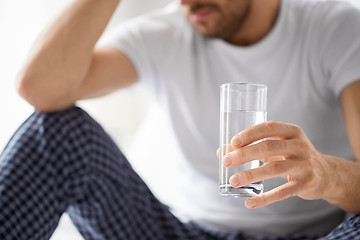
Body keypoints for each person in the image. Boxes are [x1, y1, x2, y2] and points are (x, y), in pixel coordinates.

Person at [1, 0, 360, 239]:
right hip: (185, 234)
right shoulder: (166, 32)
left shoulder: (336, 27)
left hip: (319, 235)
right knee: (56, 131)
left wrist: (325, 174)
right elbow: (39, 88)